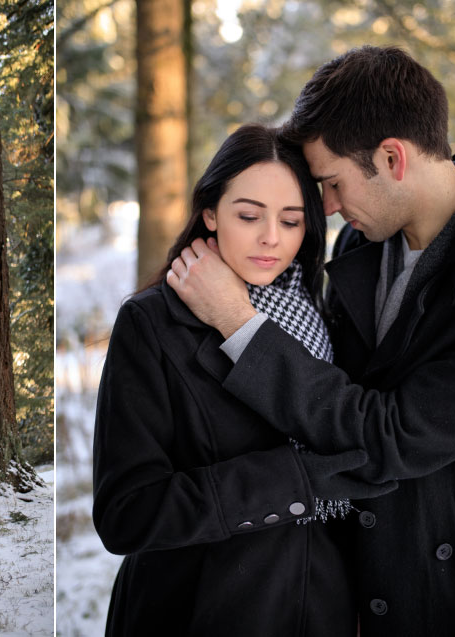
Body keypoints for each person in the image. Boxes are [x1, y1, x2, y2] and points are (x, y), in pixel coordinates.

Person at [168, 46, 455, 635]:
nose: (324, 207)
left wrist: (238, 323)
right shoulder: (360, 247)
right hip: (350, 589)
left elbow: (388, 436)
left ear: (392, 157)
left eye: (331, 183)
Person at [93, 123, 392, 636]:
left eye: (292, 221)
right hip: (197, 610)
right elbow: (127, 512)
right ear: (210, 212)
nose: (271, 237)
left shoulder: (327, 313)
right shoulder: (153, 322)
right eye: (249, 215)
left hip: (319, 609)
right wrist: (292, 479)